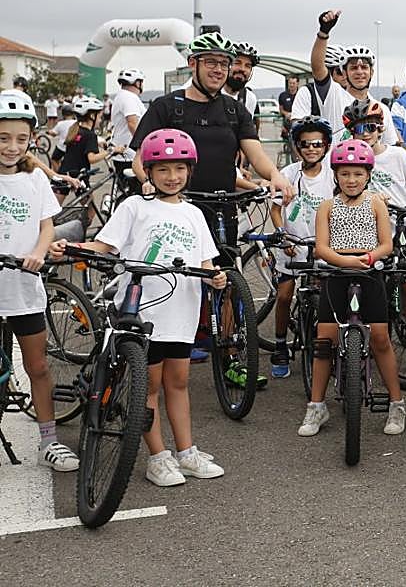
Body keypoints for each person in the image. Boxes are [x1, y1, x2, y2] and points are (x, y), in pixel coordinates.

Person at [52, 129, 228, 485]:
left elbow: (207, 262)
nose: (172, 176)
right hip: (143, 313)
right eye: (162, 169)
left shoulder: (194, 214)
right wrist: (70, 248)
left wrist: (215, 277)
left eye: (179, 168)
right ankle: (158, 456)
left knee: (179, 382)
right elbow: (105, 246)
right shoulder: (134, 207)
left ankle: (186, 451)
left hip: (181, 313)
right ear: (148, 170)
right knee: (148, 386)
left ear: (189, 170)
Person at [130, 33, 294, 361]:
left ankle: (227, 350)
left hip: (222, 208)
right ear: (193, 64)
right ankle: (164, 346)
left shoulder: (234, 111)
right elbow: (140, 156)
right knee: (174, 279)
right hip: (176, 209)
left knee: (226, 281)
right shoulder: (167, 107)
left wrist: (275, 175)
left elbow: (255, 153)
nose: (219, 69)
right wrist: (148, 180)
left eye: (224, 63)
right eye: (211, 62)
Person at [298, 139, 405, 438]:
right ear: (335, 175)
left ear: (368, 174)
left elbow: (387, 244)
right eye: (345, 174)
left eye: (358, 173)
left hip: (371, 273)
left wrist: (368, 258)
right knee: (324, 342)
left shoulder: (376, 203)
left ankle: (397, 403)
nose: (352, 180)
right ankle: (316, 405)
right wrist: (345, 261)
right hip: (335, 274)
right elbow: (321, 248)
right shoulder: (326, 207)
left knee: (381, 339)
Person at [0, 89, 78, 471]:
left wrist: (39, 252)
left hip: (23, 287)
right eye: (3, 137)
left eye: (20, 138)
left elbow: (47, 226)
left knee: (39, 366)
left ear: (31, 137)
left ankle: (49, 440)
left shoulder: (34, 179)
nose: (12, 146)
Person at [266, 116, 335, 379]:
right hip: (292, 246)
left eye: (317, 144)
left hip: (323, 247)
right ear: (297, 147)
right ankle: (281, 345)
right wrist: (282, 236)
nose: (311, 149)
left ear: (326, 146)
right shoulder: (288, 174)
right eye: (305, 144)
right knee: (284, 296)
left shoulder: (332, 175)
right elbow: (275, 210)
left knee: (328, 298)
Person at [306, 10, 402, 148]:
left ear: (372, 72)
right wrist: (323, 33)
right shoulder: (333, 95)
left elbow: (389, 149)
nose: (359, 72)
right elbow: (317, 68)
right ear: (344, 73)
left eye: (364, 67)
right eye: (353, 68)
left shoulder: (381, 109)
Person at [344, 97, 406, 208]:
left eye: (370, 127)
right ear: (352, 133)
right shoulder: (350, 161)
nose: (365, 133)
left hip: (403, 220)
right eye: (359, 129)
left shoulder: (398, 155)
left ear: (380, 129)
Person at [57, 96, 111, 188]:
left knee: (55, 202)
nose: (100, 120)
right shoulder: (90, 135)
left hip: (65, 172)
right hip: (79, 176)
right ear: (92, 116)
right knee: (88, 201)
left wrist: (96, 142)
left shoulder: (76, 130)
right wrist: (110, 151)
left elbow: (81, 143)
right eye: (99, 117)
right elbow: (92, 158)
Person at [109, 68, 147, 197]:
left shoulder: (122, 96)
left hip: (123, 151)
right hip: (130, 153)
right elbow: (132, 123)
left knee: (124, 192)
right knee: (136, 193)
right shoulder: (129, 97)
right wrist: (143, 145)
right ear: (137, 83)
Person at [290, 44, 348, 120]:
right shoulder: (307, 92)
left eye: (347, 70)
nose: (345, 75)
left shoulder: (352, 92)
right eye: (340, 72)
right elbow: (297, 124)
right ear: (326, 72)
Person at [225, 41, 259, 119]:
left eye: (247, 66)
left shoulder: (249, 98)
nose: (242, 69)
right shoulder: (212, 92)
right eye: (237, 63)